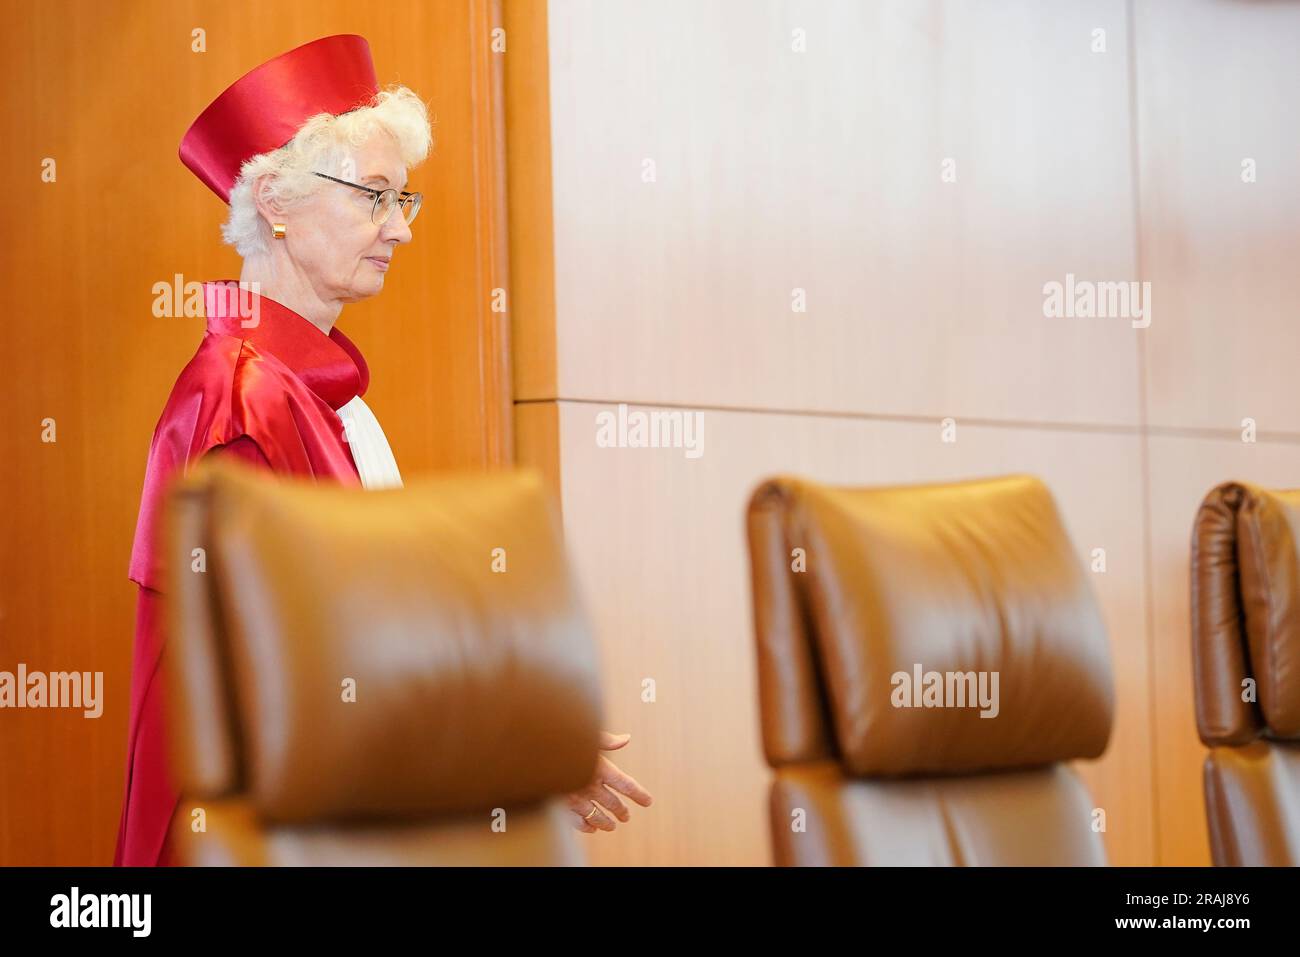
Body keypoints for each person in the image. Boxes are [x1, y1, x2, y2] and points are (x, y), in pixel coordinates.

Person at [115, 34, 650, 866]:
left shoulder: (316, 395)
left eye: (406, 200)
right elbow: (292, 684)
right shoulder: (242, 401)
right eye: (373, 196)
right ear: (273, 202)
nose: (400, 229)